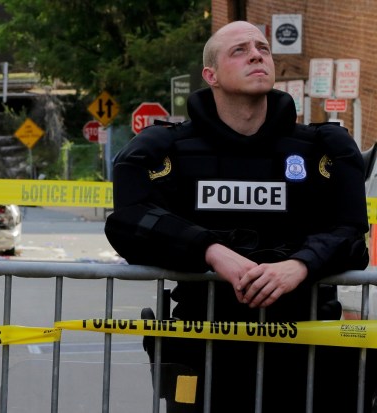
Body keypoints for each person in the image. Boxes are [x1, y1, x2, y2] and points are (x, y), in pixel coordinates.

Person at [105, 21, 375, 413]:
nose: (256, 54)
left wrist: (299, 265)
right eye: (240, 50)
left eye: (263, 48)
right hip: (206, 347)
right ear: (210, 75)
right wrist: (212, 251)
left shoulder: (322, 151)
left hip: (308, 345)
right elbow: (129, 223)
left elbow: (350, 234)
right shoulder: (166, 150)